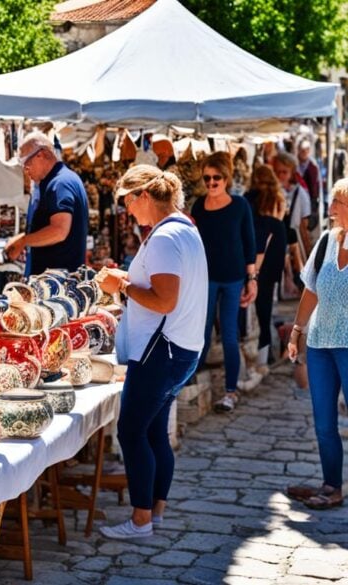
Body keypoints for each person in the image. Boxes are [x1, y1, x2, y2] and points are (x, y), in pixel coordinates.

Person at [97, 165, 207, 538]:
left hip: (162, 350)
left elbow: (164, 300)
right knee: (155, 432)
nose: (129, 211)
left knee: (131, 432)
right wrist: (126, 280)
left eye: (128, 202)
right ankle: (155, 511)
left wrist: (122, 285)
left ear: (144, 196)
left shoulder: (164, 238)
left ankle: (140, 519)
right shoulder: (184, 228)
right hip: (179, 348)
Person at [286, 179, 348, 509]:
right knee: (324, 422)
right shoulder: (325, 242)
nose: (331, 208)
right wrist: (297, 330)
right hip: (321, 343)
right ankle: (331, 485)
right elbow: (310, 290)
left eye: (338, 202)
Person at [190, 151, 257, 413]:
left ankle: (230, 391)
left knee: (229, 334)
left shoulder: (240, 206)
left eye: (216, 177)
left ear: (226, 178)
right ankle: (189, 382)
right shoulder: (198, 206)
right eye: (207, 178)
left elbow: (249, 244)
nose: (211, 182)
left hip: (233, 278)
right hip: (204, 278)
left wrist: (252, 279)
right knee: (201, 331)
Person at [7, 132, 89, 276]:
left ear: (42, 154)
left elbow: (59, 231)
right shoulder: (61, 180)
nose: (25, 170)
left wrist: (24, 241)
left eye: (27, 162)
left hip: (59, 283)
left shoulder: (60, 183)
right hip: (57, 279)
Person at [245, 166, 287, 378]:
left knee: (253, 311)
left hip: (256, 258)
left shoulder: (249, 198)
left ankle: (258, 358)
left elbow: (258, 235)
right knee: (265, 309)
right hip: (273, 258)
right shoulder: (277, 198)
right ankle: (263, 358)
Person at [274, 151, 313, 271]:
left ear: (291, 172)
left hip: (294, 242)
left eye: (284, 172)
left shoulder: (300, 193)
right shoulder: (269, 192)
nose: (280, 175)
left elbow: (304, 224)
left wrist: (308, 251)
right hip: (275, 241)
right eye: (277, 171)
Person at [298, 139, 322, 213]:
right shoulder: (294, 164)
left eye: (307, 149)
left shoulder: (313, 166)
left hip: (310, 200)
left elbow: (316, 185)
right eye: (302, 150)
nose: (305, 152)